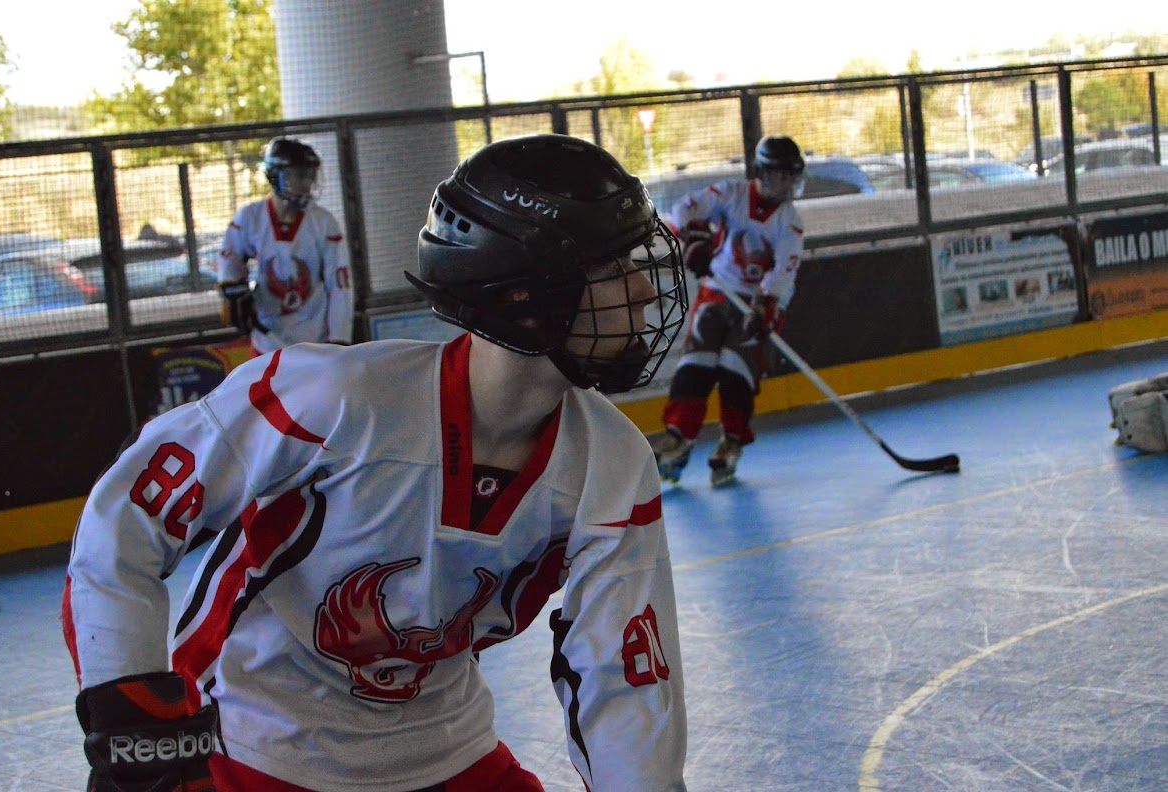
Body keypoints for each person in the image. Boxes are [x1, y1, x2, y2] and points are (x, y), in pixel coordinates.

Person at [62, 134, 691, 792]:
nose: (644, 290)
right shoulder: (331, 398)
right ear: (522, 295)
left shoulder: (615, 462)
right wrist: (130, 710)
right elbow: (127, 516)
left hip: (449, 749)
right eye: (614, 269)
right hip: (255, 748)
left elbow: (625, 678)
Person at [654, 135, 806, 487]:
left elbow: (784, 271)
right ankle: (679, 437)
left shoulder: (790, 221)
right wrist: (694, 238)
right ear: (761, 172)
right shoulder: (730, 194)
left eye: (790, 177)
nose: (785, 185)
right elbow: (683, 210)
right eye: (778, 176)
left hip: (760, 304)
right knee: (696, 362)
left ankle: (731, 441)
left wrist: (765, 306)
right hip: (718, 290)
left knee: (737, 368)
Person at [216, 137, 354, 355]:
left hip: (315, 342)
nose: (306, 183)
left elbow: (339, 284)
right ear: (275, 176)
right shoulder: (250, 217)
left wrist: (339, 338)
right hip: (267, 342)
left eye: (309, 175)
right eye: (298, 175)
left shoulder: (323, 222)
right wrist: (234, 288)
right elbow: (229, 260)